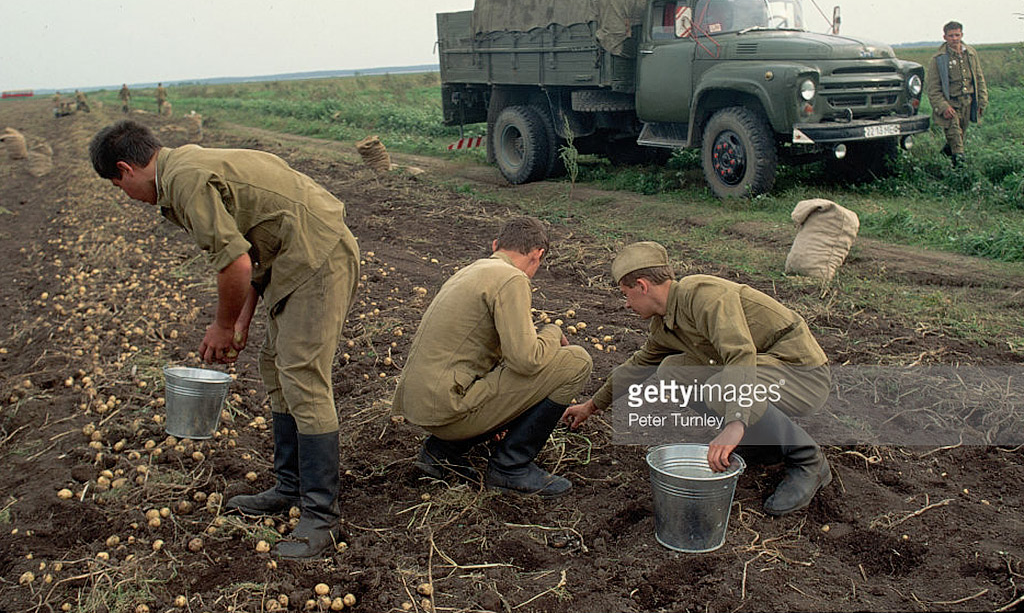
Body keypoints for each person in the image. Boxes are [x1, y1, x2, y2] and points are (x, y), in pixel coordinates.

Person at [89, 120, 360, 559]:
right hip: (287, 257)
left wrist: (221, 324)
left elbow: (234, 264)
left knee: (301, 374)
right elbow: (250, 250)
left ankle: (321, 514)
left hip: (318, 255)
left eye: (120, 187)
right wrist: (241, 322)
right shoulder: (185, 165)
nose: (129, 197)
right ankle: (290, 487)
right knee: (275, 366)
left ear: (125, 169)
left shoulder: (183, 180)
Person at [563, 241, 833, 516]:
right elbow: (638, 366)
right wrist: (592, 406)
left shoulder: (705, 295)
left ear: (642, 286)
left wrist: (735, 423)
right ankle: (763, 448)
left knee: (721, 387)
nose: (627, 303)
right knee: (672, 371)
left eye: (626, 294)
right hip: (765, 372)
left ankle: (808, 459)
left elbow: (740, 355)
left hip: (801, 374)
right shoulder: (666, 323)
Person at [392, 216, 593, 497]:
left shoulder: (474, 270)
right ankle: (511, 467)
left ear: (496, 244)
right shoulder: (511, 278)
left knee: (508, 372)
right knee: (576, 361)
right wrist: (551, 332)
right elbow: (525, 361)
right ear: (539, 255)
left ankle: (441, 452)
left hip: (424, 405)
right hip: (448, 410)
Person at [926, 21, 988, 168]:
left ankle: (939, 161)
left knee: (958, 137)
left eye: (957, 35)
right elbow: (933, 89)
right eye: (951, 35)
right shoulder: (938, 59)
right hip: (951, 105)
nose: (954, 38)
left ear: (962, 35)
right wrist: (943, 107)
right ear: (945, 37)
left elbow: (979, 78)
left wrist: (981, 102)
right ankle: (960, 173)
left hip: (968, 103)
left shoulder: (971, 54)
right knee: (956, 142)